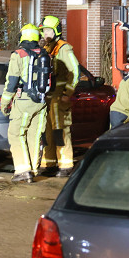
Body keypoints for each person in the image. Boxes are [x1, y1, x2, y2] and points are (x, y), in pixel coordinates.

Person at [0, 24, 53, 183]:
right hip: (41, 101)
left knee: (16, 134)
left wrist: (5, 102)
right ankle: (33, 169)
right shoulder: (45, 54)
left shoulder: (19, 54)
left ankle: (23, 170)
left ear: (22, 36)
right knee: (35, 135)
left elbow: (12, 81)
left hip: (24, 100)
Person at [37, 15, 81, 178]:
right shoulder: (48, 49)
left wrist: (67, 93)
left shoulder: (64, 48)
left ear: (56, 30)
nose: (44, 34)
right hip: (48, 97)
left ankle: (65, 164)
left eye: (47, 30)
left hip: (59, 96)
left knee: (60, 131)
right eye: (43, 31)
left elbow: (75, 71)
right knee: (47, 131)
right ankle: (49, 162)